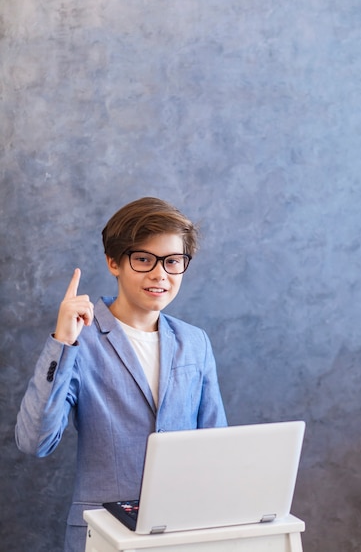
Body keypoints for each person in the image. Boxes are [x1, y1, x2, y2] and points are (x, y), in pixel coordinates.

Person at [15, 197, 227, 552]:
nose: (160, 274)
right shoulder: (79, 339)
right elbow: (34, 441)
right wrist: (62, 341)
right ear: (114, 262)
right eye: (143, 259)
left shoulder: (195, 342)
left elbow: (216, 448)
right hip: (105, 536)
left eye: (173, 262)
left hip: (185, 533)